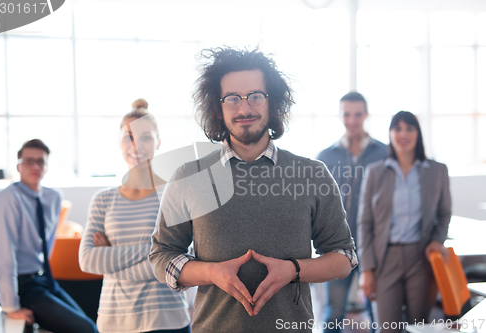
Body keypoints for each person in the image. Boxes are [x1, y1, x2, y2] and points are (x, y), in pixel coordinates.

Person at [149, 47, 357, 333]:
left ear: (273, 104)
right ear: (218, 108)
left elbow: (344, 258)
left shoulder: (312, 173)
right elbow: (162, 256)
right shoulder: (189, 176)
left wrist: (294, 270)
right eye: (232, 98)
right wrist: (211, 272)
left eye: (256, 96)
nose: (244, 109)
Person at [79, 99, 191, 333]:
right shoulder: (103, 199)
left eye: (146, 137)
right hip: (114, 321)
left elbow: (182, 259)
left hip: (167, 321)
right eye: (128, 136)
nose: (136, 144)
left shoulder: (173, 195)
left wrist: (110, 260)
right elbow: (88, 259)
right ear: (119, 143)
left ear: (158, 142)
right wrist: (156, 250)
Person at [0, 139, 98, 333]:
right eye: (29, 161)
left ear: (47, 166)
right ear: (18, 166)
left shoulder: (53, 197)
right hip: (20, 283)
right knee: (86, 329)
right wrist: (11, 306)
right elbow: (4, 256)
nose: (35, 166)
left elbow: (48, 244)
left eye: (41, 161)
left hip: (43, 278)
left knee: (91, 323)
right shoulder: (7, 199)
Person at [357, 111, 451, 333]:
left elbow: (444, 212)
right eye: (397, 128)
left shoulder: (437, 171)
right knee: (387, 327)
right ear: (389, 134)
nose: (403, 134)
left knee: (418, 326)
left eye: (409, 128)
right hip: (385, 258)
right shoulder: (374, 172)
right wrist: (367, 269)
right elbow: (364, 223)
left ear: (418, 133)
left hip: (421, 258)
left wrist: (438, 239)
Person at [317, 92, 386, 332]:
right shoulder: (325, 157)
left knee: (379, 314)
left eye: (358, 114)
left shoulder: (385, 154)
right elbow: (318, 206)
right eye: (347, 114)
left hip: (375, 250)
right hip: (337, 249)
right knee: (333, 314)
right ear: (340, 115)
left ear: (366, 115)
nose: (352, 120)